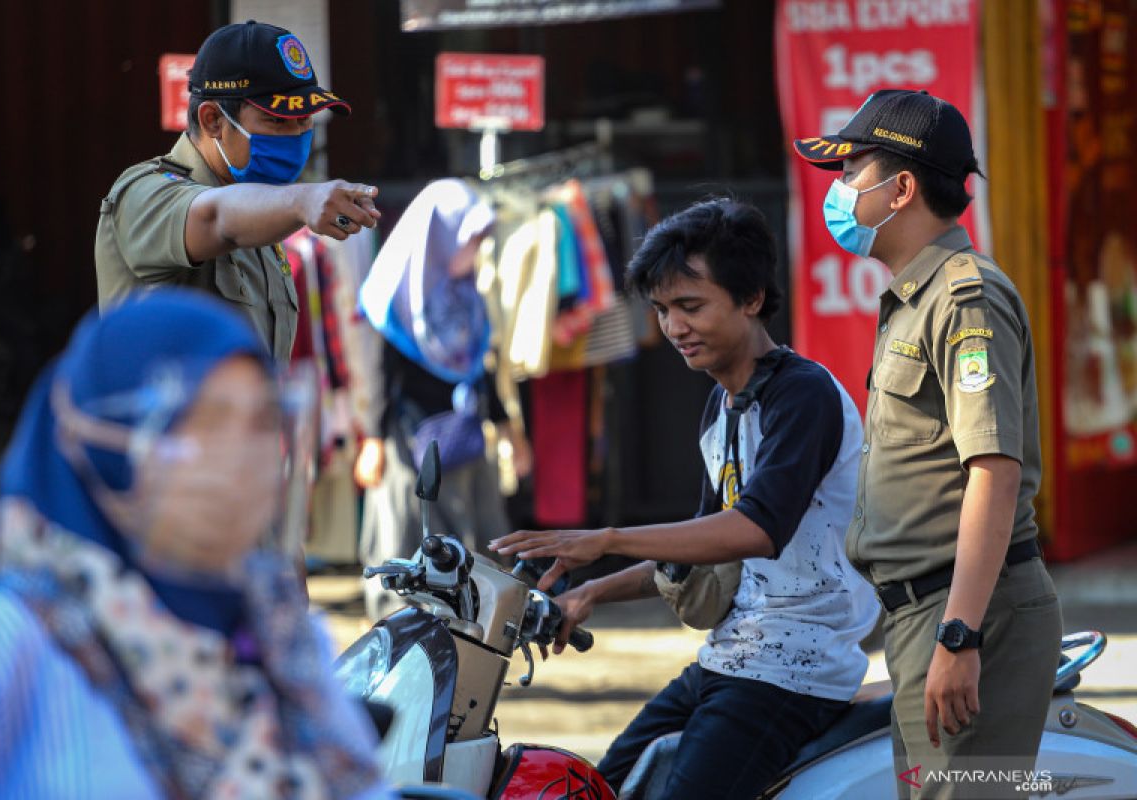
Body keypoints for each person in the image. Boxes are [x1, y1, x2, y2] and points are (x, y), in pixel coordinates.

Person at [490, 198, 878, 799]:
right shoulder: (722, 406)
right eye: (664, 310)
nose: (674, 328)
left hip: (792, 670)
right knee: (598, 785)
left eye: (691, 306)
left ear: (751, 299)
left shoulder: (802, 395)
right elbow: (702, 550)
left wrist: (609, 540)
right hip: (730, 659)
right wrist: (592, 592)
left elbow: (757, 528)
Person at [0, 291, 392, 799]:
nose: (240, 457)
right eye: (205, 419)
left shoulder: (283, 639)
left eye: (263, 422)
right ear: (100, 433)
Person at [793, 89, 1061, 799]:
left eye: (851, 172)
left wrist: (959, 636)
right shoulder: (919, 298)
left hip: (970, 615)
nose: (842, 191)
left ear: (901, 188)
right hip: (925, 615)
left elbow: (994, 472)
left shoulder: (964, 298)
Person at [95, 20, 381, 364]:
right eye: (277, 121)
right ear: (214, 120)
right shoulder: (146, 193)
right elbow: (213, 217)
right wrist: (301, 200)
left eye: (305, 121)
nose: (296, 137)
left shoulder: (261, 212)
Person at [355, 179, 531, 621]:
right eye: (471, 238)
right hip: (409, 437)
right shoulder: (395, 294)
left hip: (464, 433)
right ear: (441, 235)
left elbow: (481, 368)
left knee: (473, 535)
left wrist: (509, 428)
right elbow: (382, 369)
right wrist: (373, 441)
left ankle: (467, 626)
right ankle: (399, 628)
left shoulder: (467, 294)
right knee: (404, 532)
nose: (478, 248)